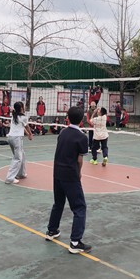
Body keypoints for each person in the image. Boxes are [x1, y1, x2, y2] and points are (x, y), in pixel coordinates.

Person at [45, 106, 91, 254]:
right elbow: (79, 160)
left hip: (57, 173)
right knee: (79, 207)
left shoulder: (62, 133)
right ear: (82, 120)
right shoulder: (82, 137)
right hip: (70, 175)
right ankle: (75, 242)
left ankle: (52, 231)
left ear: (68, 118)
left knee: (58, 203)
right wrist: (79, 173)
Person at [4, 101, 33, 184]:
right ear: (21, 108)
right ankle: (9, 178)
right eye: (23, 106)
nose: (24, 108)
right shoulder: (23, 117)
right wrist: (30, 134)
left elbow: (22, 127)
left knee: (22, 155)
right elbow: (27, 127)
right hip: (16, 139)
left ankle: (21, 174)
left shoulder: (14, 115)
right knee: (17, 158)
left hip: (11, 138)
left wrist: (28, 134)